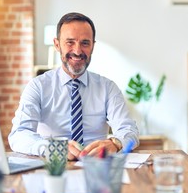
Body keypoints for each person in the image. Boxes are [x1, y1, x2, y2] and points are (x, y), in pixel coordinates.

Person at [8, 12, 139, 160]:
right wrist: (52, 148)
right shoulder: (37, 86)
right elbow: (19, 134)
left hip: (96, 167)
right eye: (70, 42)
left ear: (93, 46)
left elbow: (129, 130)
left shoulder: (108, 88)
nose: (77, 51)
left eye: (85, 43)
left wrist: (115, 143)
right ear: (57, 45)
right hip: (52, 167)